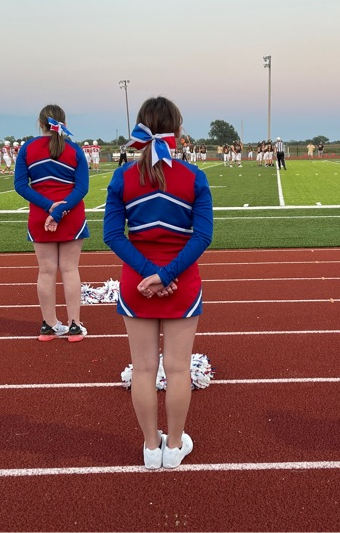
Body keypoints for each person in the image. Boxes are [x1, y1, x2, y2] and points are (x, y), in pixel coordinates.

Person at [103, 96, 213, 470]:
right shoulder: (195, 177)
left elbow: (113, 236)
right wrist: (166, 275)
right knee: (179, 370)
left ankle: (151, 448)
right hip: (182, 282)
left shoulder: (122, 177)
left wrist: (149, 274)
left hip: (137, 284)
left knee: (144, 369)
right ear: (178, 133)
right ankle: (175, 446)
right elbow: (202, 237)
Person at [14, 104, 90, 342]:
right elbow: (82, 188)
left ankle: (48, 325)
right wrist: (60, 210)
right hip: (71, 214)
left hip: (40, 215)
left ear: (40, 123)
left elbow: (20, 185)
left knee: (46, 272)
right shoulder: (74, 149)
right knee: (70, 270)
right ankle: (74, 326)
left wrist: (48, 208)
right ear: (63, 122)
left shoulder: (27, 147)